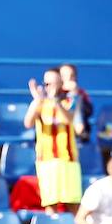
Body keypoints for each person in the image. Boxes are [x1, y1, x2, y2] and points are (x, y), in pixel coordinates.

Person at [24, 68, 82, 213]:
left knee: (73, 202)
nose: (48, 86)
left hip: (68, 159)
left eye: (52, 83)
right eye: (46, 83)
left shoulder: (71, 100)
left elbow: (69, 118)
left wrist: (55, 101)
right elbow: (28, 123)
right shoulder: (40, 103)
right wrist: (38, 100)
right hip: (46, 159)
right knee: (51, 202)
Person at [59, 63, 93, 143]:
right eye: (65, 76)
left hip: (77, 132)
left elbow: (89, 111)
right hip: (59, 130)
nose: (69, 78)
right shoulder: (56, 94)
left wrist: (75, 94)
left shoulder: (81, 93)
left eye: (72, 75)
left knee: (78, 100)